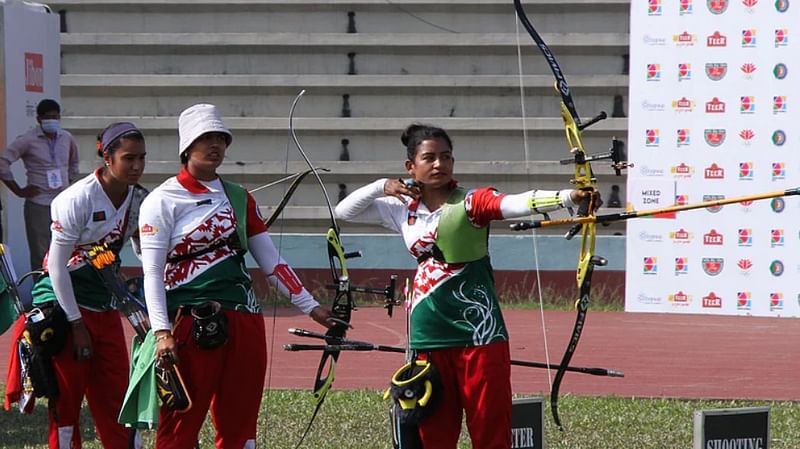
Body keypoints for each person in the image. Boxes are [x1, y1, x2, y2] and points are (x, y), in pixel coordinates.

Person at [334, 124, 600, 449]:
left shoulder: (472, 203)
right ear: (410, 167)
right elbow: (343, 211)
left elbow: (515, 203)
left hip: (481, 337)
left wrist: (569, 197)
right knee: (434, 436)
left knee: (490, 434)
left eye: (445, 157)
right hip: (427, 337)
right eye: (428, 158)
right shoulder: (402, 211)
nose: (438, 165)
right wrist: (381, 186)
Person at [138, 103, 333, 449]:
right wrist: (162, 332)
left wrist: (312, 307)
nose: (215, 145)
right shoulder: (161, 200)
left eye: (221, 138)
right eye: (205, 138)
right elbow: (152, 272)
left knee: (241, 424)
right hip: (191, 320)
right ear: (187, 147)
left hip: (244, 320)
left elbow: (272, 263)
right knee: (180, 425)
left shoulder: (239, 198)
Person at [21, 122, 147, 448]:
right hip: (65, 307)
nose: (136, 167)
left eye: (141, 159)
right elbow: (57, 268)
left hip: (105, 303)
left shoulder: (140, 200)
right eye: (128, 158)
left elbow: (142, 248)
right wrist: (76, 324)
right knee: (66, 401)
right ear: (106, 158)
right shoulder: (76, 199)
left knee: (119, 398)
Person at [0, 99, 80, 270]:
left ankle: (63, 292)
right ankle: (43, 294)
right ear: (39, 119)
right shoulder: (28, 140)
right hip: (39, 204)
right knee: (40, 253)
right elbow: (3, 162)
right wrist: (18, 190)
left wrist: (68, 184)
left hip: (63, 204)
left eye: (55, 117)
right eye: (48, 117)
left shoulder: (67, 138)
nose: (52, 120)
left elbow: (74, 163)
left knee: (68, 251)